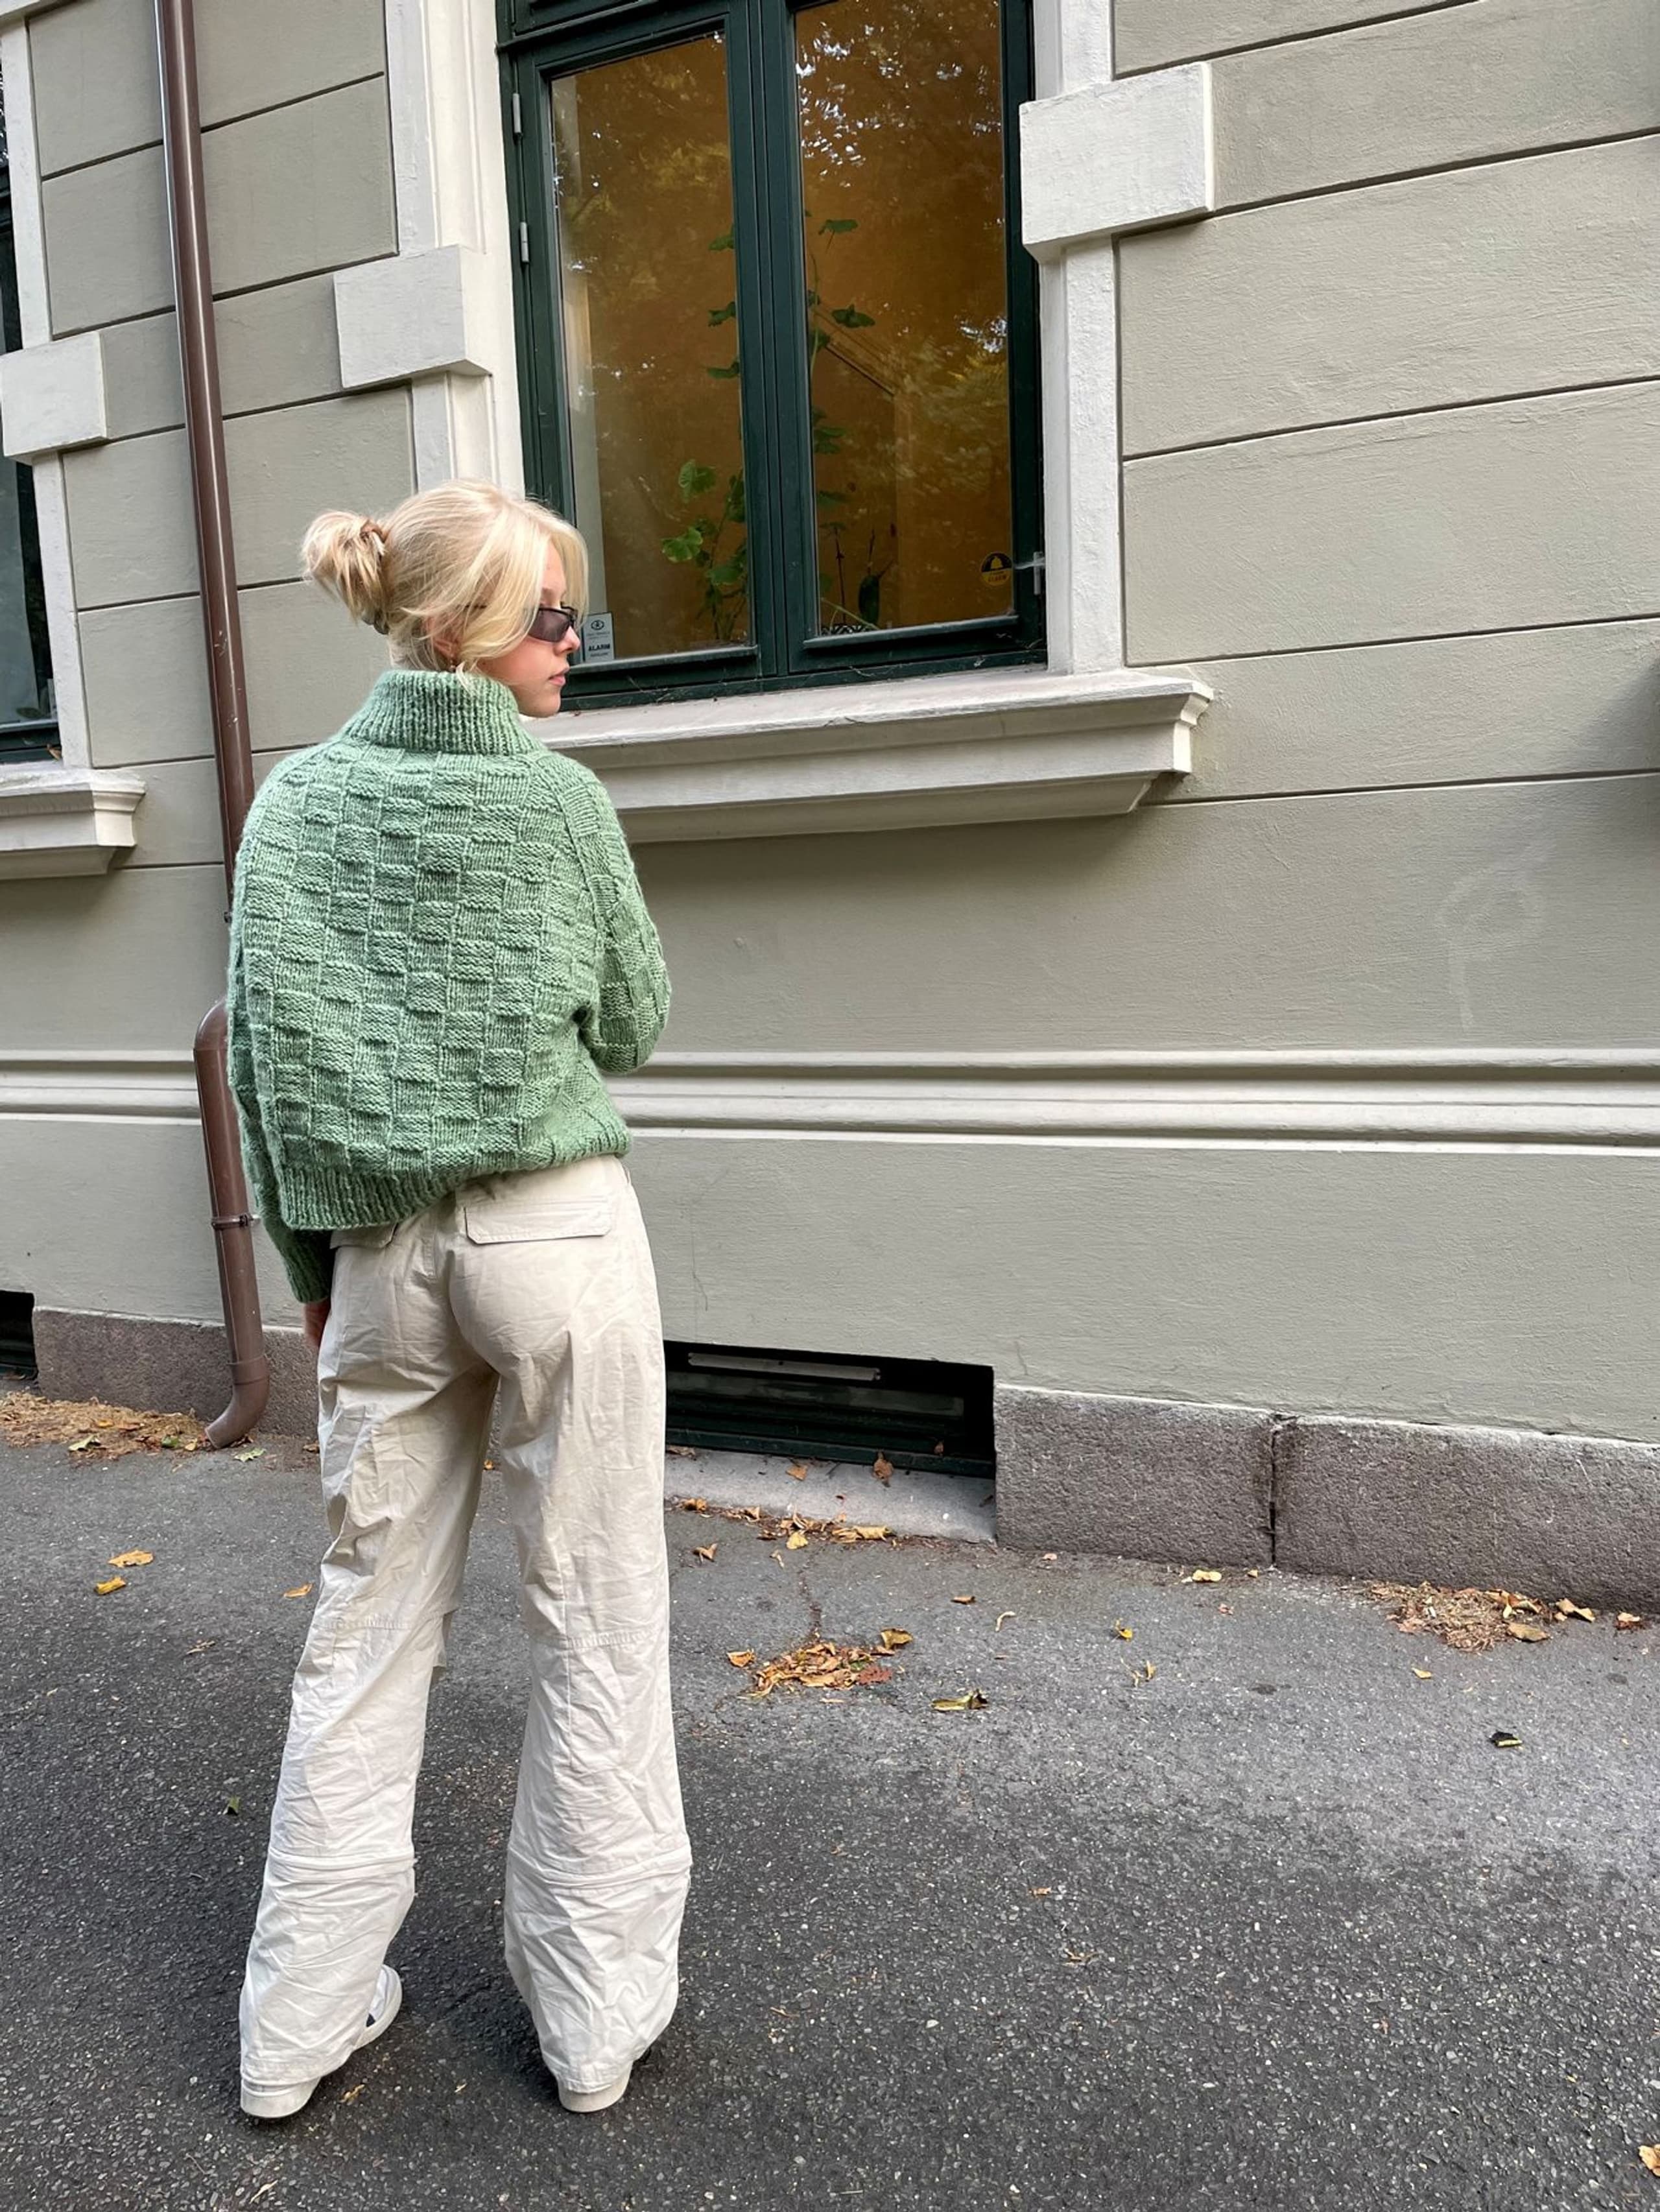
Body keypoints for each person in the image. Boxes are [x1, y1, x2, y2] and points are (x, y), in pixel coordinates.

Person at [224, 479, 689, 2122]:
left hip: (381, 1260)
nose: (575, 643)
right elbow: (631, 1020)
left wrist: (317, 1283)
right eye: (551, 617)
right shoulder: (559, 805)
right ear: (458, 630)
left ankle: (293, 2026)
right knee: (598, 1611)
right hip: (557, 1240)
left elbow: (264, 1077)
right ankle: (592, 2017)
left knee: (364, 1626)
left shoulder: (292, 808)